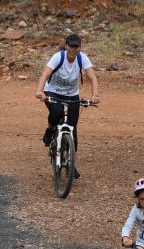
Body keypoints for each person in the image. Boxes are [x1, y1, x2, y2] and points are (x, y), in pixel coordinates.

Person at [35, 33, 100, 179]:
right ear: (66, 46)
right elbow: (45, 74)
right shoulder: (59, 57)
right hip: (52, 92)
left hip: (72, 95)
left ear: (79, 47)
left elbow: (92, 77)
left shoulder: (82, 58)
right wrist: (40, 91)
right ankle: (50, 130)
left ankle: (71, 164)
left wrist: (95, 95)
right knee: (57, 112)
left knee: (72, 130)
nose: (73, 49)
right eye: (71, 45)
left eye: (76, 46)